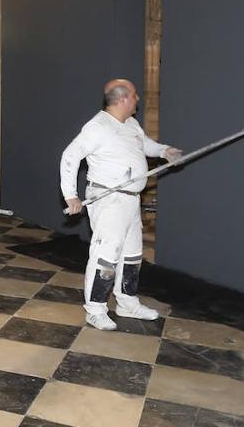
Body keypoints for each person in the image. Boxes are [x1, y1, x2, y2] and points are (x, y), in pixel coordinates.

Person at [60, 79, 182, 331]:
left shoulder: (131, 123)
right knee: (106, 256)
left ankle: (126, 302)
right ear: (123, 99)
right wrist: (70, 196)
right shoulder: (98, 127)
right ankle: (95, 309)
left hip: (130, 200)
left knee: (132, 255)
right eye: (135, 95)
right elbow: (70, 156)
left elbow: (144, 144)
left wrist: (164, 150)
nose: (138, 99)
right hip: (108, 199)